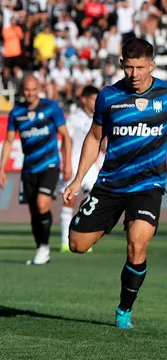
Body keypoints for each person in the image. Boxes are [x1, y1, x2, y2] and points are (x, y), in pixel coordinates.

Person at [64, 38, 167, 330]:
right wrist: (77, 179)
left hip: (148, 183)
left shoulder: (165, 95)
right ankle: (107, 220)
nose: (134, 74)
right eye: (129, 67)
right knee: (77, 245)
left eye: (140, 68)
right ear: (121, 64)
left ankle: (124, 309)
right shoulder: (108, 97)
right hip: (110, 183)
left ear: (151, 65)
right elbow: (96, 138)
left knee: (137, 243)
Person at [0, 75, 72, 265]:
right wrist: (1, 169)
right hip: (29, 168)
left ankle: (45, 247)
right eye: (26, 90)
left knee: (41, 204)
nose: (30, 93)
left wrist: (68, 163)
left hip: (50, 165)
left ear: (38, 88)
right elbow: (8, 141)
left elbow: (65, 137)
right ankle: (40, 248)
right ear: (22, 90)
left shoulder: (51, 108)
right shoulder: (16, 112)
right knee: (33, 211)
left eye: (33, 89)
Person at [59, 85, 102, 252]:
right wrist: (67, 164)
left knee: (90, 203)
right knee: (69, 201)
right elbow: (65, 141)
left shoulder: (98, 117)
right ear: (84, 99)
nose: (96, 102)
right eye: (93, 99)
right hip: (75, 163)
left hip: (92, 167)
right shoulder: (74, 118)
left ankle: (84, 238)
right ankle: (64, 240)